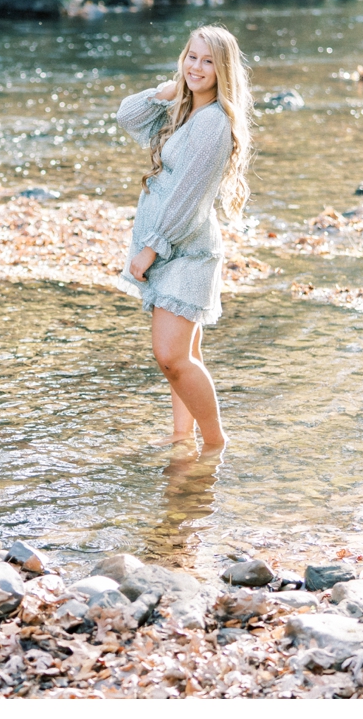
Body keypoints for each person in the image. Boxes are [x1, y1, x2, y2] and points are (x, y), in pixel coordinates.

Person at [116, 25, 253, 454]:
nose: (197, 67)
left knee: (171, 356)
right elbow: (127, 116)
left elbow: (187, 196)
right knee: (182, 358)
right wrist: (169, 89)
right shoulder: (185, 110)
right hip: (175, 245)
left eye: (208, 61)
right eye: (192, 57)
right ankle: (182, 438)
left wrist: (152, 247)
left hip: (186, 249)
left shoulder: (212, 123)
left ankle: (214, 444)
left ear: (223, 69)